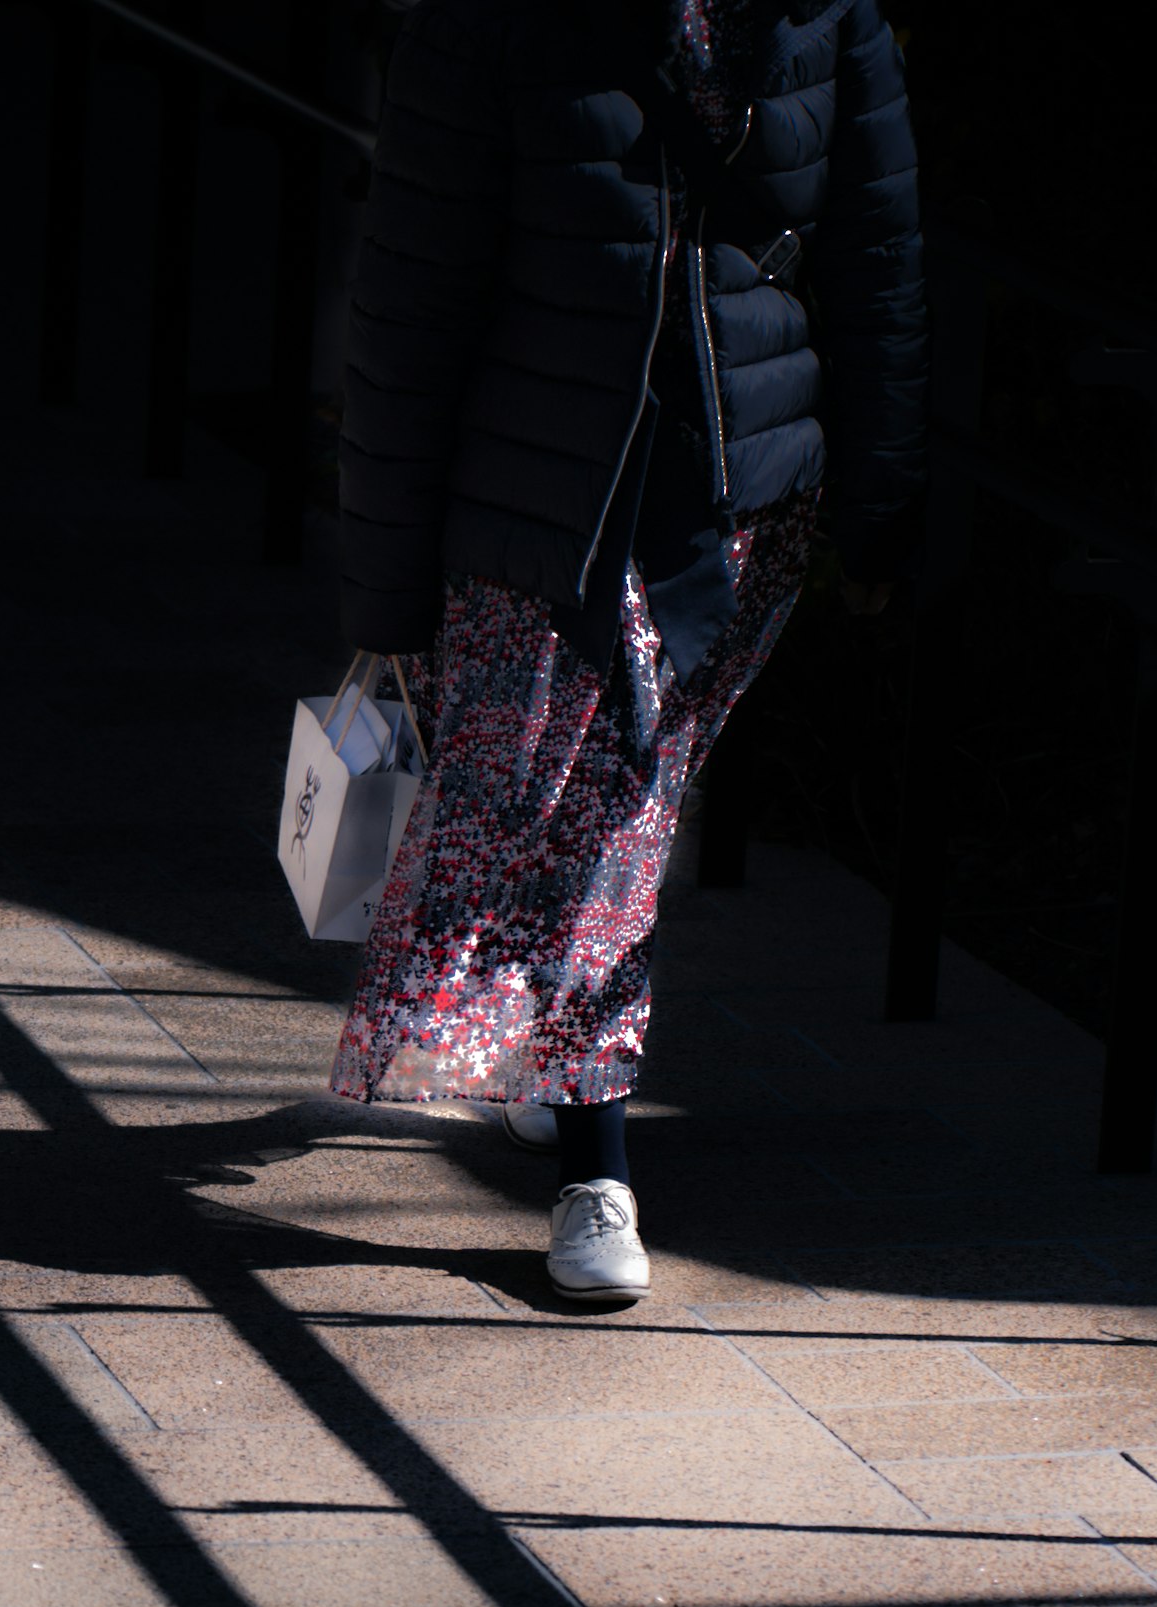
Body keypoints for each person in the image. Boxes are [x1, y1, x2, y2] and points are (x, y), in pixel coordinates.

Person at [329, 0, 926, 1303]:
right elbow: (412, 294)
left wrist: (881, 505)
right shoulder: (484, 21)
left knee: (616, 813)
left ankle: (554, 1057)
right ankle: (596, 1162)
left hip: (742, 490)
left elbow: (873, 247)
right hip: (539, 493)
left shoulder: (827, 14)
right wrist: (387, 586)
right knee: (604, 818)